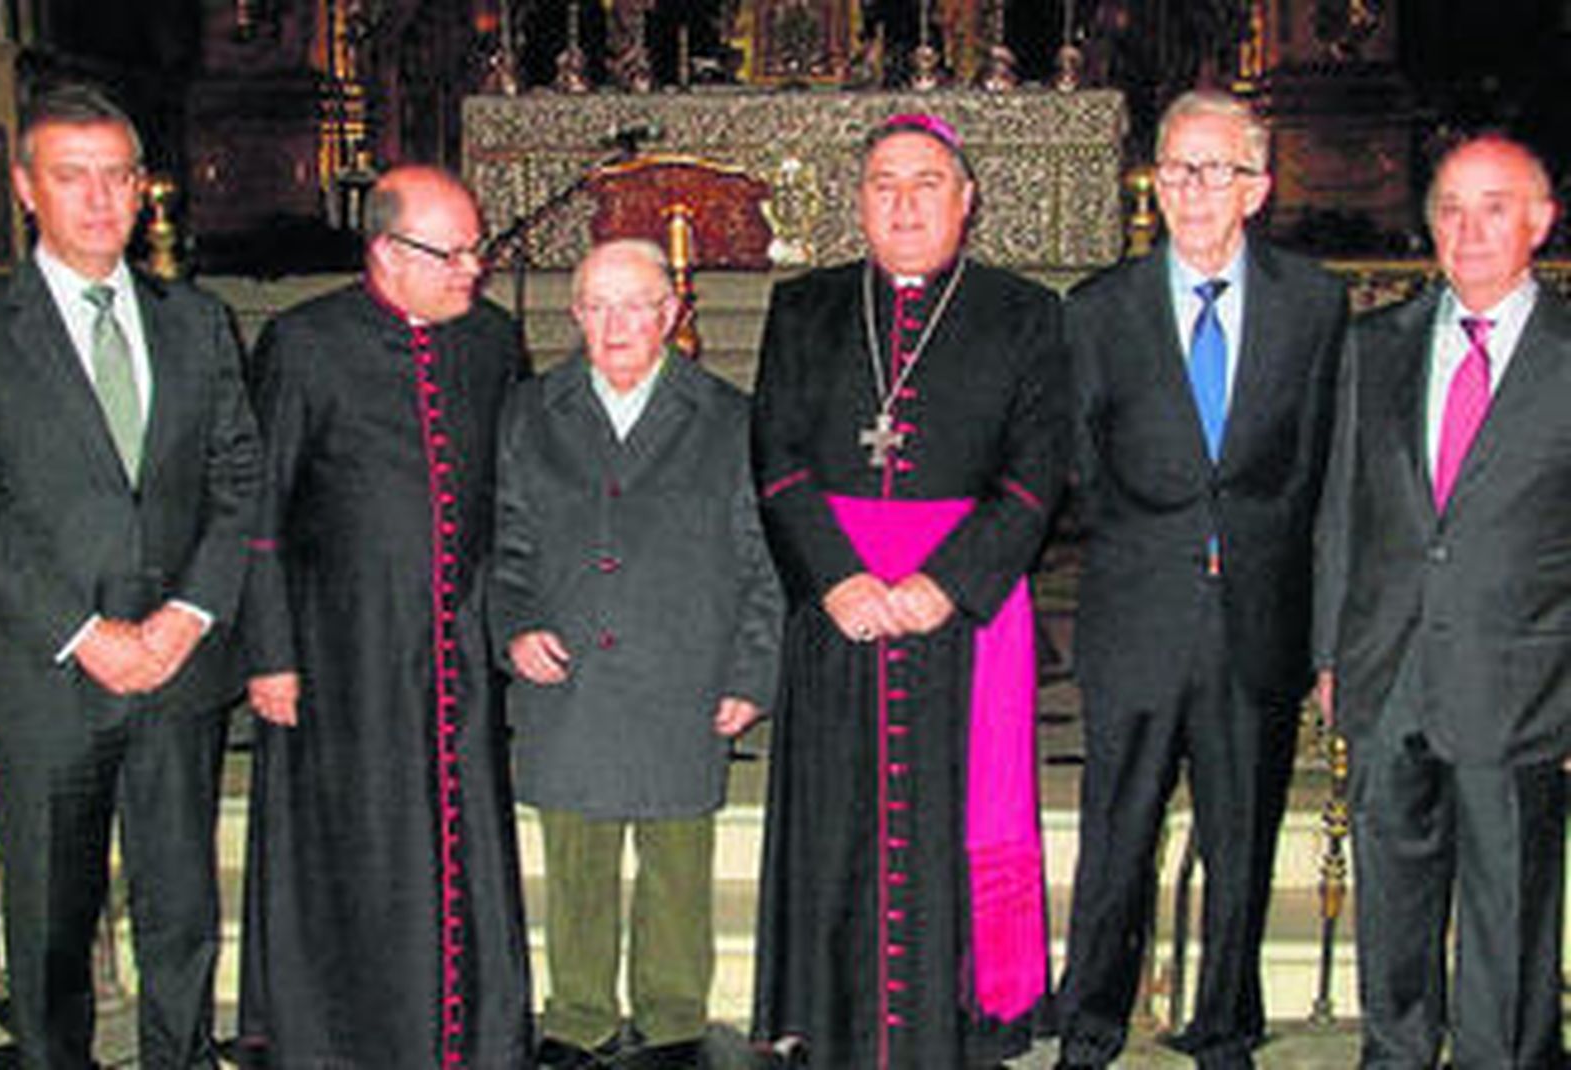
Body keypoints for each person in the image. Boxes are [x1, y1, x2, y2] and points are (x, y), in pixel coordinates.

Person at [750, 113, 1070, 1069]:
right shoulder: (805, 307)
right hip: (839, 606)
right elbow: (776, 460)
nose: (903, 204)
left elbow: (1036, 475)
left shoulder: (1024, 313)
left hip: (964, 612)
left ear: (966, 200)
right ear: (857, 203)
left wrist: (947, 584)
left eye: (927, 183)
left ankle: (962, 1018)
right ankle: (826, 1010)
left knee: (958, 815)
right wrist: (836, 579)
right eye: (883, 184)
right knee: (836, 813)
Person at [0, 83, 261, 1068]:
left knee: (182, 911)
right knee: (52, 922)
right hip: (46, 671)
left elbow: (238, 478)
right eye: (72, 177)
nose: (98, 199)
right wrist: (85, 631)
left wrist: (187, 614)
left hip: (177, 668)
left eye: (115, 176)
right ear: (26, 188)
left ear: (143, 188)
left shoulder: (198, 321)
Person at [1057, 89, 1347, 1070]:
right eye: (1176, 167)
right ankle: (1091, 1021)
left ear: (1257, 187)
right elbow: (1083, 468)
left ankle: (1224, 1025)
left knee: (1242, 837)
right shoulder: (1099, 308)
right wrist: (1163, 542)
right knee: (1116, 835)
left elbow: (1316, 470)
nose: (1190, 189)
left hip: (1257, 617)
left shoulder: (1314, 304)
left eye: (1215, 169)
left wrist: (1307, 614)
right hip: (1137, 612)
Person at [237, 164, 532, 1067]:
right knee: (359, 844)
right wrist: (270, 653)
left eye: (477, 249)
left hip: (457, 646)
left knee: (461, 843)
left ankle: (470, 1034)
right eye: (452, 253)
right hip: (343, 653)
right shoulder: (305, 344)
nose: (473, 269)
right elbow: (259, 513)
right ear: (386, 253)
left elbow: (515, 495)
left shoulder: (491, 339)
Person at [491, 239, 783, 1070]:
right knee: (576, 863)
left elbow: (764, 561)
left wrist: (751, 673)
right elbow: (502, 546)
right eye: (596, 306)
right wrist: (514, 628)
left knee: (676, 870)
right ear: (574, 313)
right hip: (568, 679)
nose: (615, 324)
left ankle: (673, 1022)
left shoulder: (730, 418)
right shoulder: (528, 413)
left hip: (682, 677)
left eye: (635, 306)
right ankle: (578, 1018)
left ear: (671, 313)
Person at [1314, 133, 1568, 1069]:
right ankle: (1397, 1051)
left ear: (1540, 221)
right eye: (1450, 209)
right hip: (1388, 668)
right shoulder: (1375, 345)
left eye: (1494, 208)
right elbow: (1341, 509)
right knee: (1393, 895)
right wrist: (1330, 652)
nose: (1469, 230)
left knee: (1509, 903)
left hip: (1524, 677)